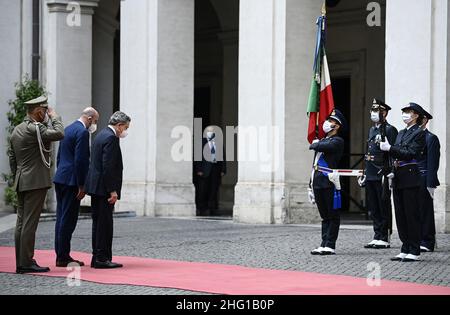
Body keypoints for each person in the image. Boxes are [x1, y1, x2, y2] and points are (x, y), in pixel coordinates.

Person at [8, 95, 65, 273]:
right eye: (44, 111)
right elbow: (59, 133)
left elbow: (12, 158)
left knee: (21, 223)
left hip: (21, 180)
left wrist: (18, 176)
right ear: (39, 111)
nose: (46, 114)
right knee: (30, 223)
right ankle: (26, 262)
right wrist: (55, 117)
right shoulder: (35, 129)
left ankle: (21, 261)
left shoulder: (17, 129)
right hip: (35, 182)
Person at [53, 107, 100, 267]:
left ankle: (60, 253)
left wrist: (61, 173)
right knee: (68, 219)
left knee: (61, 217)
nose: (94, 125)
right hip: (72, 181)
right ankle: (63, 256)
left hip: (61, 178)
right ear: (89, 118)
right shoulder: (82, 132)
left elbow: (60, 157)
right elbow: (81, 161)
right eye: (95, 121)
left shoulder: (68, 129)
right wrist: (82, 184)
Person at [380, 103, 426, 262]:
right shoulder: (400, 133)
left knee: (411, 214)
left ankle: (414, 248)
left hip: (410, 176)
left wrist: (390, 148)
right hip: (398, 175)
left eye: (408, 112)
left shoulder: (419, 133)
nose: (405, 114)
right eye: (404, 112)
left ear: (416, 115)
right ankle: (405, 247)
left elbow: (410, 153)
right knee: (400, 214)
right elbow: (396, 154)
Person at [85, 111, 130, 269]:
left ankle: (96, 256)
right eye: (125, 127)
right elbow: (108, 167)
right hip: (104, 189)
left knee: (98, 224)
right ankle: (102, 258)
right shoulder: (111, 138)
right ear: (119, 125)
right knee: (104, 224)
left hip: (96, 187)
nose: (125, 130)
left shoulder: (101, 134)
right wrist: (113, 191)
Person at [308, 109, 346, 256]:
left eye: (331, 121)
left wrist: (316, 143)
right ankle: (323, 243)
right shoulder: (323, 140)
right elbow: (315, 163)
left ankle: (330, 244)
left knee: (332, 215)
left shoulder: (337, 141)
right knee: (324, 216)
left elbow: (322, 147)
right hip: (318, 180)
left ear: (337, 126)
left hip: (329, 182)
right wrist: (309, 184)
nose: (327, 123)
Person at [361, 99, 398, 249]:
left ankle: (385, 235)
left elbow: (394, 152)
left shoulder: (389, 129)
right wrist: (364, 172)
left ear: (385, 113)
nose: (374, 113)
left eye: (377, 111)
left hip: (382, 171)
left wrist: (392, 171)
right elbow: (369, 152)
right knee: (373, 206)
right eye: (373, 110)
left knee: (383, 205)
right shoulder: (372, 130)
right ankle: (377, 234)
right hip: (370, 172)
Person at [417, 109, 440, 253]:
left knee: (425, 211)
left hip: (423, 177)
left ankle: (427, 240)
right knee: (413, 211)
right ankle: (417, 238)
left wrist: (430, 183)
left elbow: (433, 163)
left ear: (424, 120)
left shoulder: (430, 138)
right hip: (410, 178)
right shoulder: (410, 136)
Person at [194, 126, 227, 216]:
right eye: (209, 131)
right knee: (203, 190)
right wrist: (199, 169)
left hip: (216, 169)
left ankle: (211, 208)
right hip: (204, 170)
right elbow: (197, 157)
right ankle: (202, 207)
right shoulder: (201, 142)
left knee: (214, 189)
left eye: (212, 131)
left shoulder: (218, 143)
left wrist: (223, 169)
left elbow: (223, 157)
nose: (211, 133)